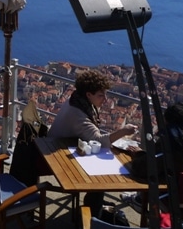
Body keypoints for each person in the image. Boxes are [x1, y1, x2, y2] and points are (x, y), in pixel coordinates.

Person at [47, 69, 138, 217]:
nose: (106, 99)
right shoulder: (78, 113)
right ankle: (92, 214)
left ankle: (93, 205)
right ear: (89, 94)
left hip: (58, 146)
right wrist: (123, 131)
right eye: (101, 95)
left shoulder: (75, 100)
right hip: (57, 156)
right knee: (101, 174)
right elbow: (100, 141)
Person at [128, 102, 183, 180]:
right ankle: (139, 200)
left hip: (178, 196)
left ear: (166, 120)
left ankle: (139, 199)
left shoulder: (170, 143)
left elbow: (141, 169)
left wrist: (138, 154)